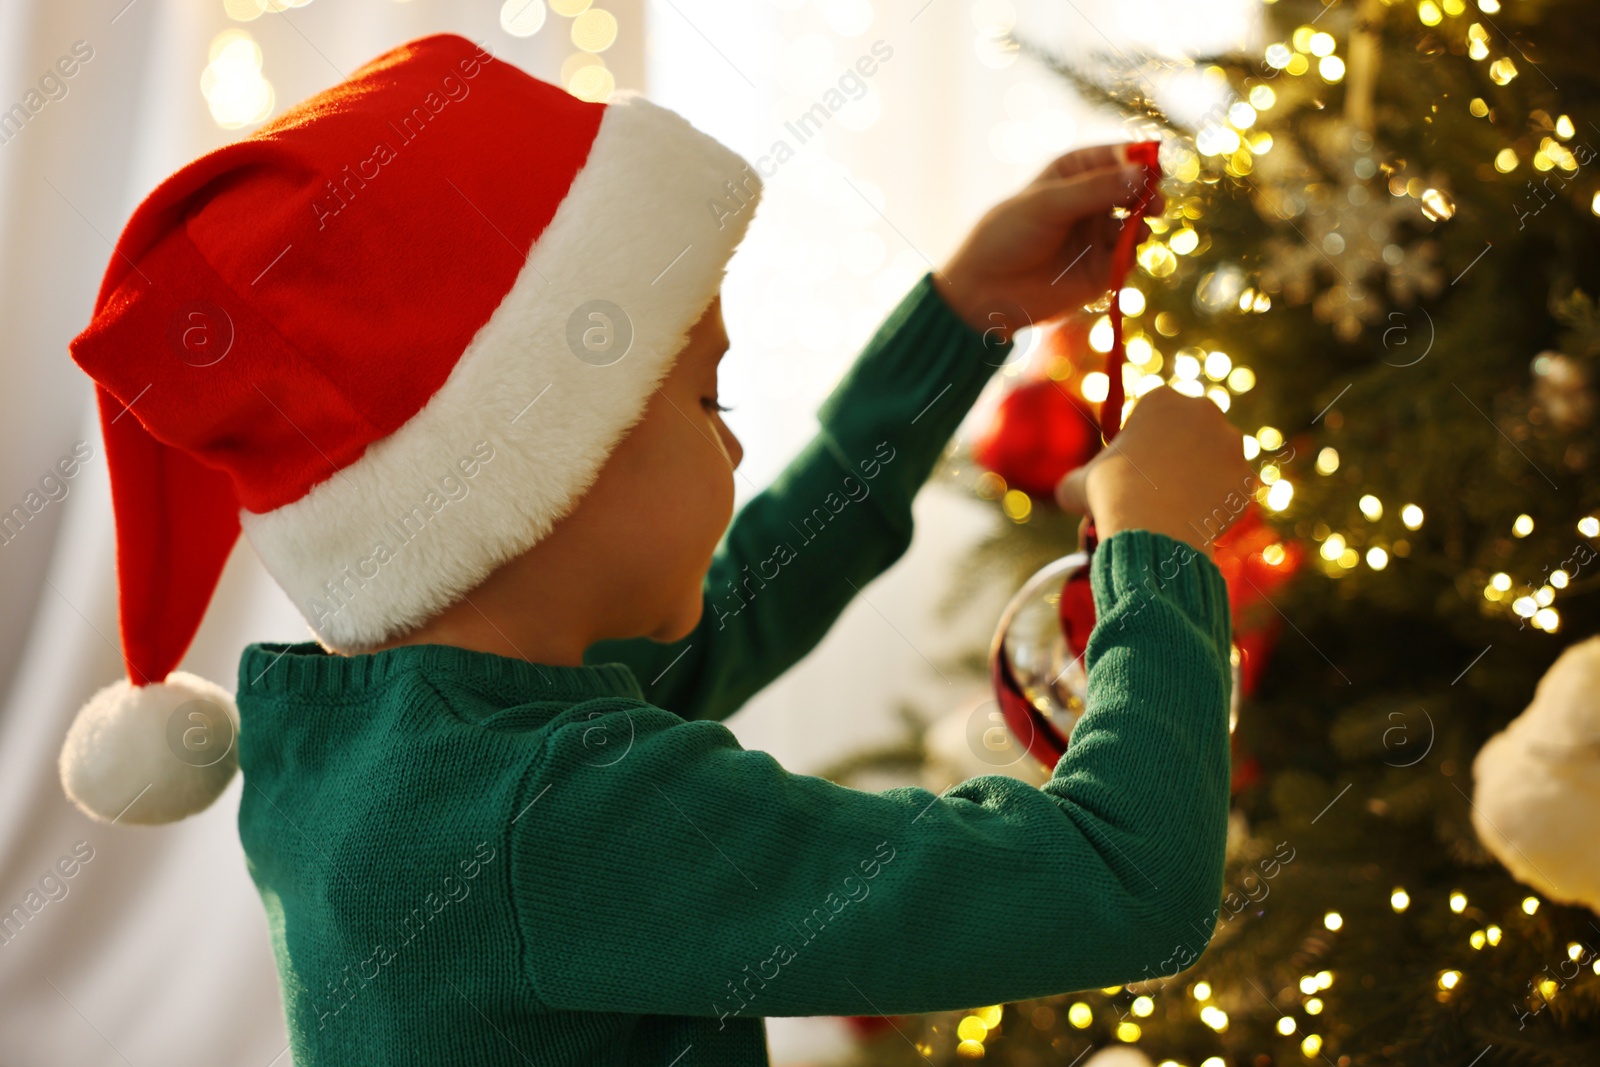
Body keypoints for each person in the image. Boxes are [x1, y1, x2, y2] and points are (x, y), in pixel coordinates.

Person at [59, 33, 1251, 1067]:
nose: (732, 444)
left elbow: (749, 599)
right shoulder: (554, 817)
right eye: (707, 395)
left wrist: (961, 319)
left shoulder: (393, 739)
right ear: (546, 468)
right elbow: (1119, 880)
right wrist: (1159, 543)